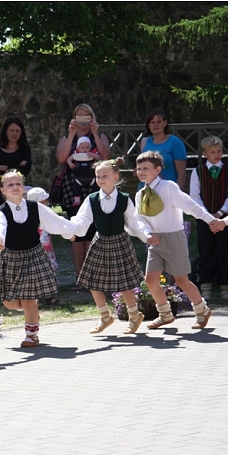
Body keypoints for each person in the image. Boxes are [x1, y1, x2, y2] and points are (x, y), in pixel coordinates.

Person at [0, 170, 77, 347]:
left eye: (18, 184)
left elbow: (56, 221)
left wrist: (71, 232)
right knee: (9, 302)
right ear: (3, 190)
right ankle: (32, 310)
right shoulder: (0, 211)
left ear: (24, 188)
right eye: (10, 185)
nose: (15, 187)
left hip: (33, 255)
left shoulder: (35, 207)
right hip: (11, 257)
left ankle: (31, 335)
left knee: (28, 298)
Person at [134, 151, 215, 330]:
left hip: (173, 238)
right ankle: (165, 314)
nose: (141, 171)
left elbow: (189, 205)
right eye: (139, 168)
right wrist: (147, 234)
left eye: (145, 168)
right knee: (150, 280)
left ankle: (202, 310)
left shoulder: (168, 187)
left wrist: (210, 219)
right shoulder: (140, 194)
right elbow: (140, 218)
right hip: (154, 241)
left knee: (181, 280)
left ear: (157, 170)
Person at [70, 159, 148, 334]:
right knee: (91, 280)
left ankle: (134, 315)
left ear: (116, 176)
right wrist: (72, 231)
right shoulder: (92, 199)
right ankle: (105, 316)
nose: (101, 179)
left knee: (124, 282)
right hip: (100, 241)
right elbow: (82, 220)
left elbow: (134, 222)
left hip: (120, 242)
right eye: (98, 176)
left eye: (105, 175)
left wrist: (146, 237)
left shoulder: (124, 199)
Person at [56, 104, 111, 289]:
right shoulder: (66, 138)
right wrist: (71, 134)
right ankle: (80, 278)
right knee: (77, 233)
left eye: (87, 117)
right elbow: (61, 158)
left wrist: (95, 133)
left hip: (96, 186)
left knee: (94, 232)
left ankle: (93, 277)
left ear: (92, 118)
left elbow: (106, 157)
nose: (83, 121)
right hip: (74, 188)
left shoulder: (100, 136)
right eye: (79, 117)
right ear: (73, 118)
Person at [189, 135, 228, 301]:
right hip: (204, 219)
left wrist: (220, 214)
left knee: (224, 249)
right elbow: (194, 196)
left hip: (224, 218)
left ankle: (225, 284)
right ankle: (205, 284)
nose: (217, 154)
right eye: (212, 152)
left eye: (219, 151)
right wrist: (206, 216)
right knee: (205, 249)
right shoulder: (197, 172)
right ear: (205, 154)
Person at [140, 108, 187, 191]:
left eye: (159, 122)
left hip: (168, 190)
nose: (155, 125)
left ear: (165, 123)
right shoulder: (144, 141)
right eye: (152, 122)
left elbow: (181, 173)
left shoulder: (175, 142)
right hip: (147, 190)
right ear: (148, 125)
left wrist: (178, 194)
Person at [25, 188, 59, 298]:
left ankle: (49, 296)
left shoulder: (47, 216)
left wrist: (52, 250)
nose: (45, 203)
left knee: (49, 273)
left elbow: (49, 234)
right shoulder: (28, 216)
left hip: (47, 249)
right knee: (35, 274)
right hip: (35, 250)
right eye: (42, 201)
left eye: (45, 201)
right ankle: (35, 298)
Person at [67, 136, 101, 208]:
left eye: (87, 147)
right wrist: (70, 163)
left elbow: (99, 158)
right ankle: (77, 200)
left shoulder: (93, 153)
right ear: (78, 148)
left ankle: (96, 199)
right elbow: (69, 159)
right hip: (79, 178)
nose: (85, 149)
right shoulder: (76, 154)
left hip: (91, 177)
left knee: (96, 187)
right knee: (75, 188)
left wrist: (93, 155)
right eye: (82, 147)